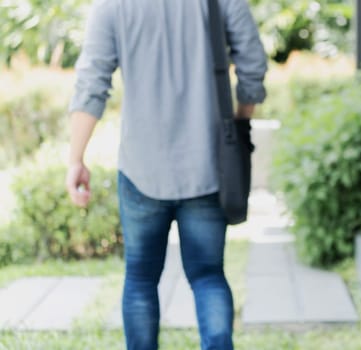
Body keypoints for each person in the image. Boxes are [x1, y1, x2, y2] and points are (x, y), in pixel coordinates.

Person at [65, 0, 267, 349]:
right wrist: (240, 120)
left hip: (141, 168)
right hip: (208, 166)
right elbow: (253, 64)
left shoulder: (112, 6)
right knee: (208, 276)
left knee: (141, 279)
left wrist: (75, 159)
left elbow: (91, 84)